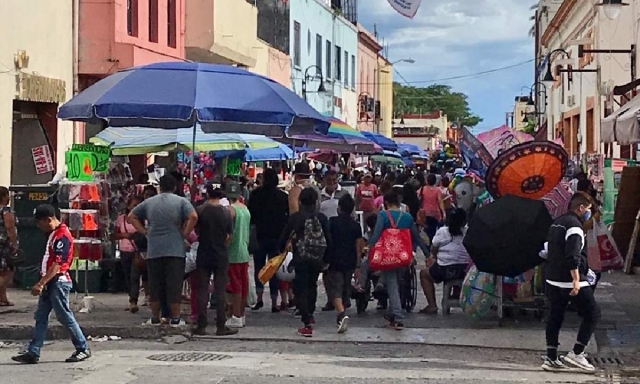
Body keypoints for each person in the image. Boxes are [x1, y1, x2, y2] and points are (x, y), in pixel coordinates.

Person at [12, 205, 90, 364]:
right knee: (40, 316)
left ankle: (82, 347)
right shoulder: (54, 234)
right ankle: (33, 351)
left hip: (57, 282)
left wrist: (41, 283)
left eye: (39, 223)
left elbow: (57, 264)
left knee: (64, 316)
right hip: (50, 283)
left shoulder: (61, 236)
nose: (38, 227)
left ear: (48, 220)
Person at [541, 193, 601, 373]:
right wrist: (576, 280)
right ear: (581, 208)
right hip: (569, 279)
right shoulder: (575, 227)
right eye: (588, 210)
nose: (589, 214)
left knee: (555, 316)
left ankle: (551, 357)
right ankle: (577, 353)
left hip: (552, 277)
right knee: (593, 312)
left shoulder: (557, 222)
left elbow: (546, 249)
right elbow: (572, 256)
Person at [129, 175, 198, 327]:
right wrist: (185, 233)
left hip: (154, 249)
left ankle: (155, 317)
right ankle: (175, 318)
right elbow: (193, 216)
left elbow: (131, 216)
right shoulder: (181, 202)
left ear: (160, 187)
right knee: (174, 285)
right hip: (175, 249)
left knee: (155, 285)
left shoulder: (149, 202)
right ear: (174, 187)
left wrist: (145, 231)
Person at [368, 192, 429, 330]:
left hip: (388, 254)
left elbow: (376, 234)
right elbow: (416, 237)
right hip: (403, 255)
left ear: (386, 203)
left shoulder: (383, 215)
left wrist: (369, 247)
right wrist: (427, 253)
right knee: (398, 282)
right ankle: (391, 312)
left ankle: (398, 316)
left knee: (392, 285)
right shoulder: (407, 217)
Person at [279, 188, 331, 337]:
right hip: (317, 258)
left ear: (300, 201)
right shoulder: (321, 218)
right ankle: (311, 313)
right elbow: (328, 238)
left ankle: (306, 320)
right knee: (312, 285)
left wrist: (280, 250)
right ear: (316, 201)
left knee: (300, 288)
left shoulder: (296, 217)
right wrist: (327, 259)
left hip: (300, 257)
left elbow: (284, 236)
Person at [192, 186, 237, 336]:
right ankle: (221, 325)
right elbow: (229, 236)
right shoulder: (226, 213)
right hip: (221, 254)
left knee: (202, 289)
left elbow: (196, 230)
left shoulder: (200, 210)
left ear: (207, 193)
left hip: (204, 252)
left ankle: (201, 325)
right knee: (220, 290)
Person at [248, 168, 289, 312]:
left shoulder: (255, 195)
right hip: (277, 237)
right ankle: (274, 301)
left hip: (259, 235)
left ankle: (259, 299)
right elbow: (287, 217)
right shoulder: (283, 196)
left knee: (259, 267)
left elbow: (250, 215)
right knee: (274, 269)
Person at [419, 208, 471, 315]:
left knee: (424, 274)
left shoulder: (442, 231)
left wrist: (434, 257)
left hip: (444, 269)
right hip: (464, 270)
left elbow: (433, 248)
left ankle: (432, 305)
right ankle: (456, 292)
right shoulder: (468, 231)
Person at [325, 194, 364, 333]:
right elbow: (358, 246)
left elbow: (327, 241)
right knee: (345, 288)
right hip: (350, 260)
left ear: (339, 208)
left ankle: (341, 314)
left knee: (335, 290)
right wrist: (358, 264)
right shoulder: (356, 225)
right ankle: (342, 312)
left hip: (335, 260)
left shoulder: (332, 222)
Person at [225, 181, 251, 329]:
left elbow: (228, 234)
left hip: (232, 252)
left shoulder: (230, 210)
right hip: (244, 251)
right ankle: (241, 314)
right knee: (243, 285)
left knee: (234, 286)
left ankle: (235, 316)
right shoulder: (245, 209)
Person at [114, 195, 146, 313]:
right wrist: (124, 236)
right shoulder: (121, 219)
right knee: (127, 276)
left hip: (137, 252)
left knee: (134, 276)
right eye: (134, 206)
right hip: (124, 251)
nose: (136, 208)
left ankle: (133, 301)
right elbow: (115, 234)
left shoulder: (143, 220)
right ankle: (131, 299)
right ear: (128, 206)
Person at [0, 187, 17, 307]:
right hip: (4, 243)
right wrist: (14, 243)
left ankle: (3, 298)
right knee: (8, 271)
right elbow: (10, 228)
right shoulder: (6, 211)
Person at [418, 174, 446, 243]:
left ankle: (428, 246)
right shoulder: (437, 190)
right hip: (435, 214)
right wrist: (444, 212)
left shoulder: (422, 189)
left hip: (425, 213)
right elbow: (440, 202)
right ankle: (431, 243)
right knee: (433, 230)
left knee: (426, 230)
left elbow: (418, 199)